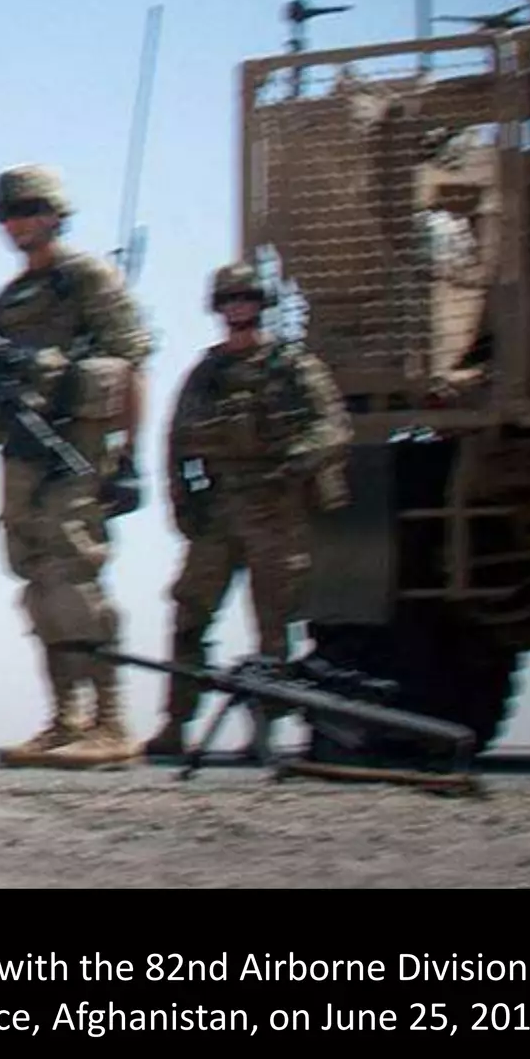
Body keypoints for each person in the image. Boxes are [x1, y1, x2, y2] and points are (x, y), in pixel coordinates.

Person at [0, 166, 149, 768]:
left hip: (77, 450)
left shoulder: (87, 279)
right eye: (8, 214)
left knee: (75, 577)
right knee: (35, 581)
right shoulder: (10, 299)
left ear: (56, 212)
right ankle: (64, 718)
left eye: (29, 209)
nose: (18, 222)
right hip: (23, 457)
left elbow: (131, 365)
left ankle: (110, 720)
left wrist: (130, 458)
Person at [150, 261, 351, 758]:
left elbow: (333, 428)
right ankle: (176, 724)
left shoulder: (294, 366)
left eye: (246, 297)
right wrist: (184, 504)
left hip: (275, 510)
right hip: (219, 514)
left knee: (273, 626)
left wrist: (296, 461)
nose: (237, 307)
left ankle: (263, 732)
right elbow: (176, 445)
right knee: (189, 616)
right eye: (229, 299)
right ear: (217, 308)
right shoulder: (206, 373)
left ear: (261, 304)